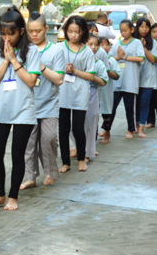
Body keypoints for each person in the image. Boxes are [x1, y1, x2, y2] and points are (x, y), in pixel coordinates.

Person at [0, 8, 41, 211]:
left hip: (23, 110)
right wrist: (6, 60)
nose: (7, 38)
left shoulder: (32, 51)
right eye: (3, 33)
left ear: (21, 31)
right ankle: (0, 194)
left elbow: (31, 81)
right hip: (1, 110)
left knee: (17, 154)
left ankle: (13, 196)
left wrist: (15, 61)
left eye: (11, 33)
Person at [20, 13, 65, 190]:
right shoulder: (23, 50)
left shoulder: (56, 51)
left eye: (38, 31)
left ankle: (51, 171)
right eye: (30, 31)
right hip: (27, 104)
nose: (34, 34)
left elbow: (59, 79)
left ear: (46, 29)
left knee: (49, 138)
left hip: (49, 103)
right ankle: (30, 177)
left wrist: (41, 67)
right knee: (28, 143)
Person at [57, 15, 98, 173]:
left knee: (78, 128)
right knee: (63, 129)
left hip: (80, 93)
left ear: (83, 32)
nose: (73, 35)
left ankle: (81, 159)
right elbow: (54, 69)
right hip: (63, 93)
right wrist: (64, 70)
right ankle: (65, 162)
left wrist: (75, 71)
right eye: (70, 31)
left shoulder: (87, 51)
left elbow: (91, 76)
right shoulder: (59, 48)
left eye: (77, 32)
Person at [103, 19, 145, 141]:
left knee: (129, 108)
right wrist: (119, 57)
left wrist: (125, 57)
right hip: (117, 82)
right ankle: (106, 130)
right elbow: (110, 58)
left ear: (132, 30)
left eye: (125, 30)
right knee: (111, 108)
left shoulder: (137, 43)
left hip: (130, 81)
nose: (123, 33)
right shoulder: (118, 44)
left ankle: (131, 129)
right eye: (121, 31)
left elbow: (141, 58)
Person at [82, 33, 109, 161]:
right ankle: (80, 147)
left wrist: (93, 77)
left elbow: (104, 81)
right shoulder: (79, 60)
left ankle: (87, 153)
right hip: (77, 93)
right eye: (90, 44)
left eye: (96, 45)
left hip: (92, 93)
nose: (93, 47)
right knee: (73, 124)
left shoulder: (99, 64)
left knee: (90, 124)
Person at [133, 16, 157, 137]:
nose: (144, 29)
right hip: (134, 77)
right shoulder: (132, 41)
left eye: (147, 27)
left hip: (148, 78)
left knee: (144, 103)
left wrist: (143, 47)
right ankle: (136, 125)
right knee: (136, 104)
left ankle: (141, 128)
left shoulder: (153, 43)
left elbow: (153, 59)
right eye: (141, 26)